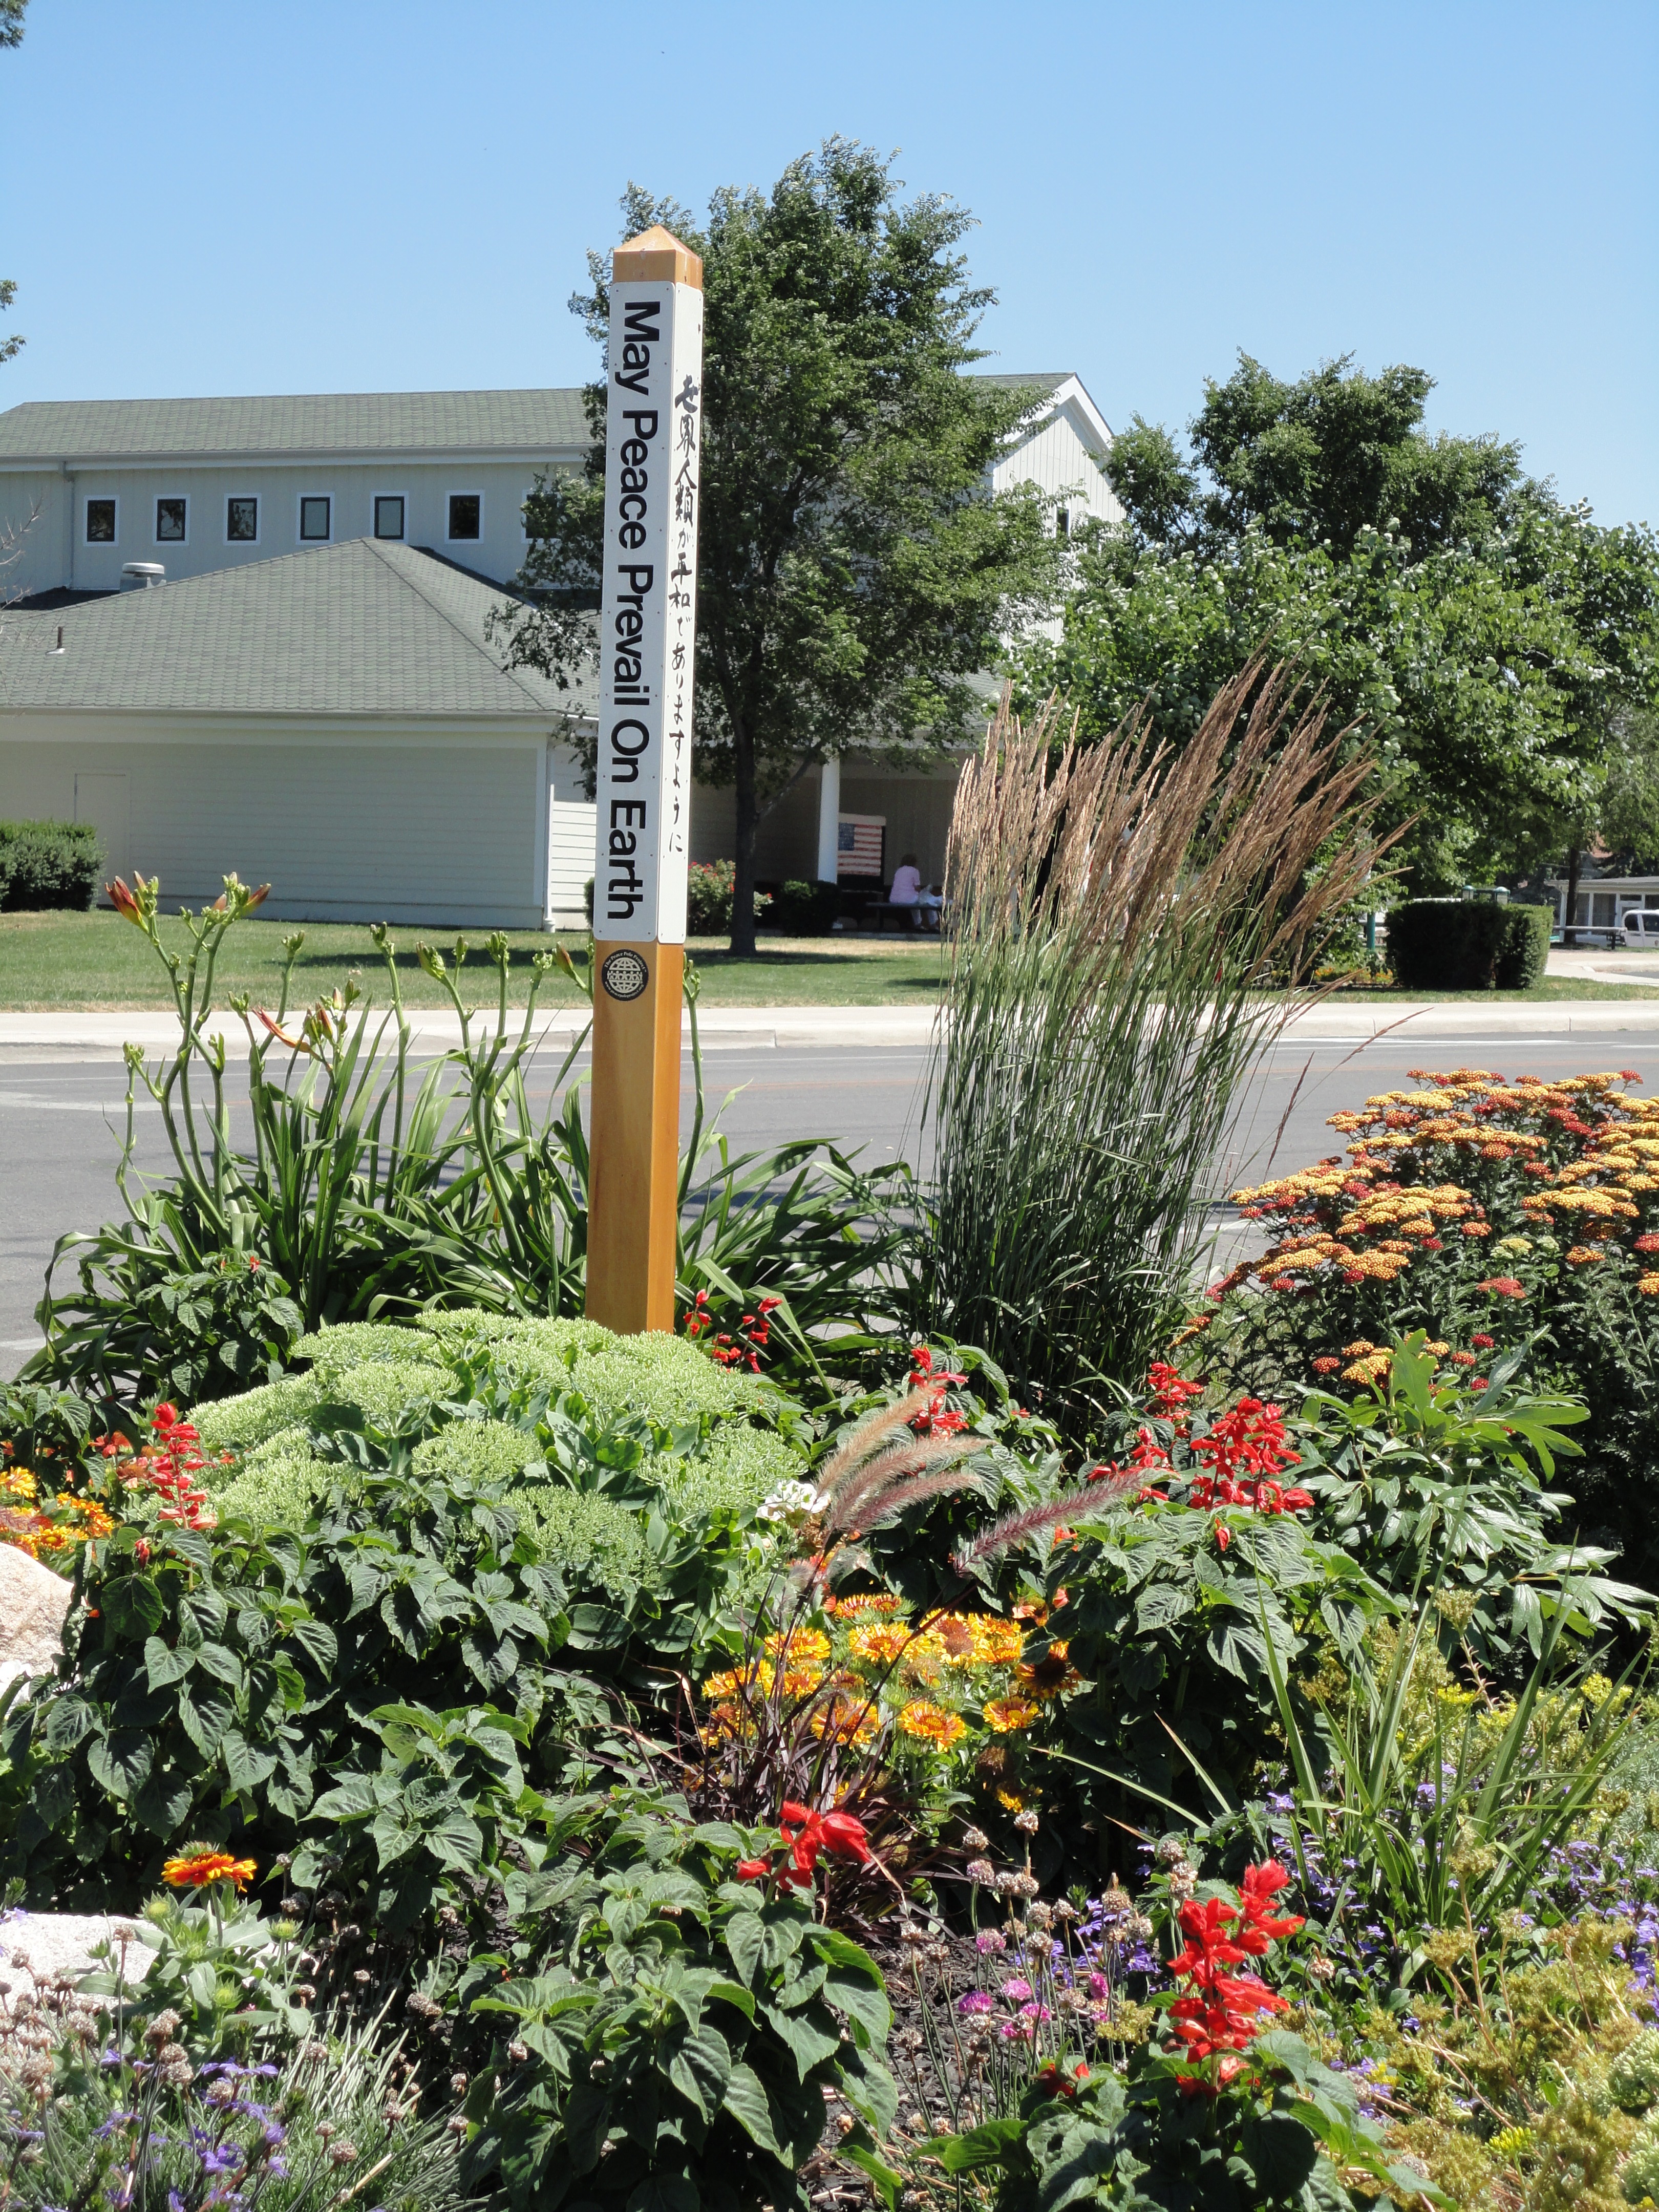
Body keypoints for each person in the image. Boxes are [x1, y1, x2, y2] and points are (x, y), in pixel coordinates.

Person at [888, 853, 942, 929]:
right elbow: (917, 888)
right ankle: (933, 925)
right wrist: (924, 892)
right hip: (908, 899)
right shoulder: (914, 871)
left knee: (916, 903)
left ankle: (918, 925)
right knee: (929, 903)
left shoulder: (898, 871)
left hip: (894, 899)